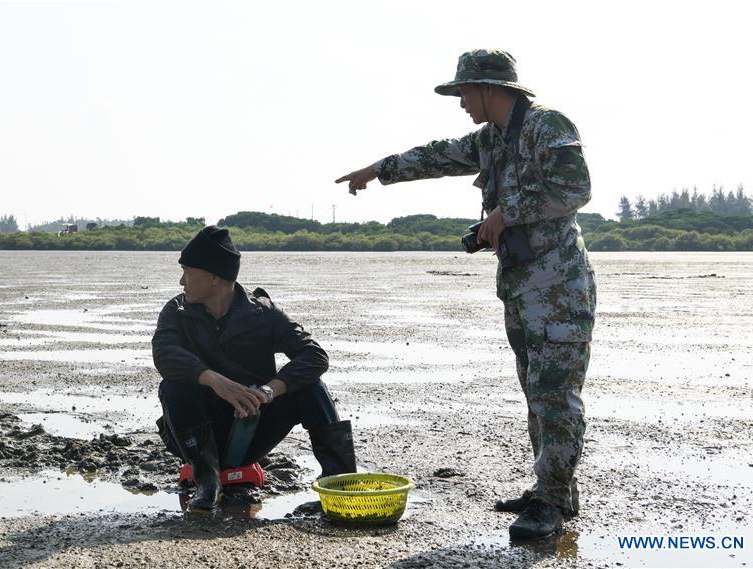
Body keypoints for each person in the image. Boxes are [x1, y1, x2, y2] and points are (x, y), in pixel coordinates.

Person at [335, 49, 596, 539]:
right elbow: (436, 155)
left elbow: (575, 187)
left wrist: (505, 212)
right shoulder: (490, 138)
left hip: (559, 288)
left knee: (555, 396)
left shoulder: (546, 125)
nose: (460, 103)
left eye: (464, 93)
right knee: (535, 392)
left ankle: (551, 502)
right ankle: (555, 491)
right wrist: (376, 170)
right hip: (520, 285)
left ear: (490, 89)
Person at [152, 225, 356, 512]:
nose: (181, 281)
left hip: (252, 428)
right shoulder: (177, 311)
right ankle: (208, 482)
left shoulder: (263, 312)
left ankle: (339, 485)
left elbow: (315, 356)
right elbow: (164, 354)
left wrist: (268, 392)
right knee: (173, 385)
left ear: (214, 276)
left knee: (312, 386)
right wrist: (216, 381)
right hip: (193, 437)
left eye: (187, 271)